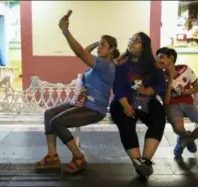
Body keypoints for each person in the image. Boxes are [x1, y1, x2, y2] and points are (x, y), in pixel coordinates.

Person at [35, 10, 120, 173]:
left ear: (112, 50)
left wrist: (65, 31)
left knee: (56, 122)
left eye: (104, 45)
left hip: (93, 109)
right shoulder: (98, 63)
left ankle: (78, 157)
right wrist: (98, 42)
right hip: (82, 103)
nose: (99, 47)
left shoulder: (106, 65)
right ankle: (52, 156)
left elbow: (80, 53)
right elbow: (85, 53)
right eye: (99, 44)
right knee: (49, 114)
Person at [110, 32, 166, 179]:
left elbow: (161, 84)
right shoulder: (122, 64)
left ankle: (145, 161)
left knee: (159, 116)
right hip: (122, 101)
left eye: (137, 41)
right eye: (131, 39)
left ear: (144, 47)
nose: (132, 42)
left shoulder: (152, 65)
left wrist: (150, 90)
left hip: (145, 101)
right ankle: (138, 162)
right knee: (125, 122)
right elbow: (117, 87)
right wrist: (125, 105)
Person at [155, 47, 198, 158]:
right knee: (179, 128)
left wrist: (186, 92)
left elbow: (197, 88)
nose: (159, 60)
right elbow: (166, 101)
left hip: (188, 104)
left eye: (162, 57)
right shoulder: (159, 76)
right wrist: (170, 79)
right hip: (171, 105)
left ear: (171, 58)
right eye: (158, 58)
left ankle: (183, 141)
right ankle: (187, 139)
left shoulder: (185, 69)